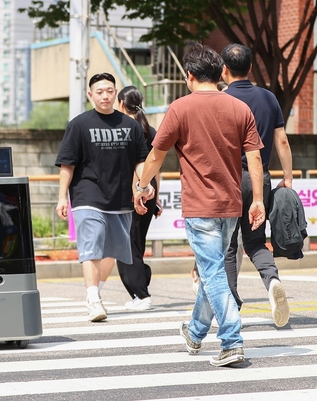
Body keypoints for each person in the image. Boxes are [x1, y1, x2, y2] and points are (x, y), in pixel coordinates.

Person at [134, 43, 265, 367]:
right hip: (231, 206)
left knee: (212, 272)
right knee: (213, 271)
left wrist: (142, 186)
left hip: (200, 206)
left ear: (189, 76)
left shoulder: (180, 108)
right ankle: (195, 332)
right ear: (220, 73)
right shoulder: (239, 109)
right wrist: (259, 199)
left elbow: (156, 155)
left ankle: (232, 340)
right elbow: (256, 158)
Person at [55, 73, 148, 322]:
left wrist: (144, 185)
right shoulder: (79, 124)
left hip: (120, 198)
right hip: (87, 195)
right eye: (99, 91)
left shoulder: (130, 127)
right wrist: (62, 196)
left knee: (112, 250)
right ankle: (93, 299)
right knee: (92, 245)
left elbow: (141, 161)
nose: (105, 95)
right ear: (90, 95)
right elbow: (67, 164)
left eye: (109, 90)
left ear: (115, 93)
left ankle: (96, 291)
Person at [221, 43, 293, 327]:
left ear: (224, 70)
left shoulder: (220, 99)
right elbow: (282, 141)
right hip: (259, 176)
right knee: (254, 241)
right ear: (250, 68)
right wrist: (287, 177)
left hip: (227, 177)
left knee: (228, 244)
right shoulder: (269, 98)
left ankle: (230, 303)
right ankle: (272, 280)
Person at [115, 86, 163, 311]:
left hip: (135, 190)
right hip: (150, 190)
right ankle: (141, 279)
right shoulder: (150, 129)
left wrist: (137, 190)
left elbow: (135, 163)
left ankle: (141, 294)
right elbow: (156, 167)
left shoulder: (125, 128)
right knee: (136, 243)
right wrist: (157, 196)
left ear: (122, 104)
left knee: (126, 245)